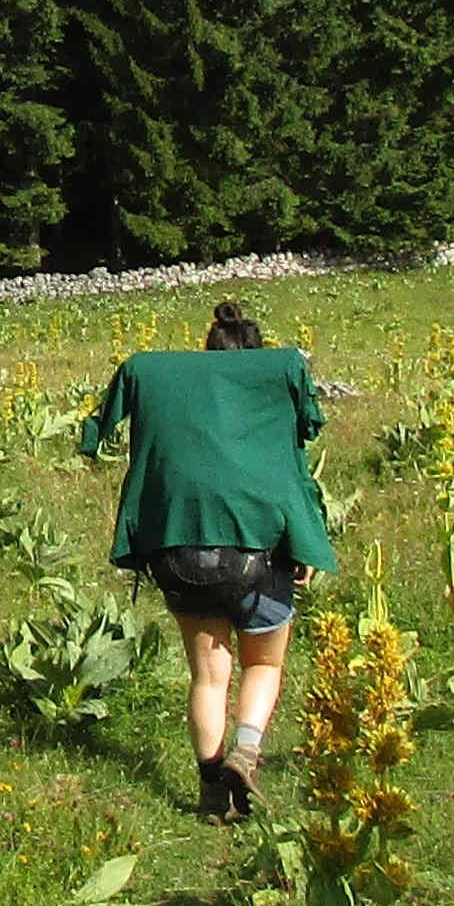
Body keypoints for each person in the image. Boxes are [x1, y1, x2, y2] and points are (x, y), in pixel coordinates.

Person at [77, 299, 336, 820]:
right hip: (257, 556)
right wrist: (308, 543)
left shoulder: (160, 378)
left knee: (208, 677)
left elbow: (96, 430)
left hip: (178, 552)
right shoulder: (273, 385)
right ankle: (246, 749)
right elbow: (295, 473)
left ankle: (211, 788)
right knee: (264, 663)